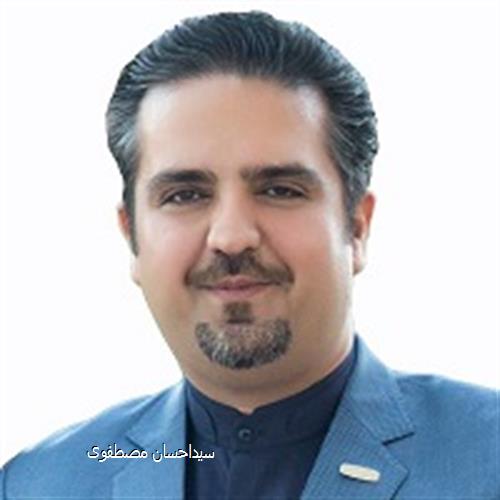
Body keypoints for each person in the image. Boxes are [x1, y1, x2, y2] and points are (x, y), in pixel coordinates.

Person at [1, 10, 497, 499]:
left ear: (357, 227)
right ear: (131, 236)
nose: (232, 237)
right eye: (185, 195)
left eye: (279, 190)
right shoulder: (39, 485)